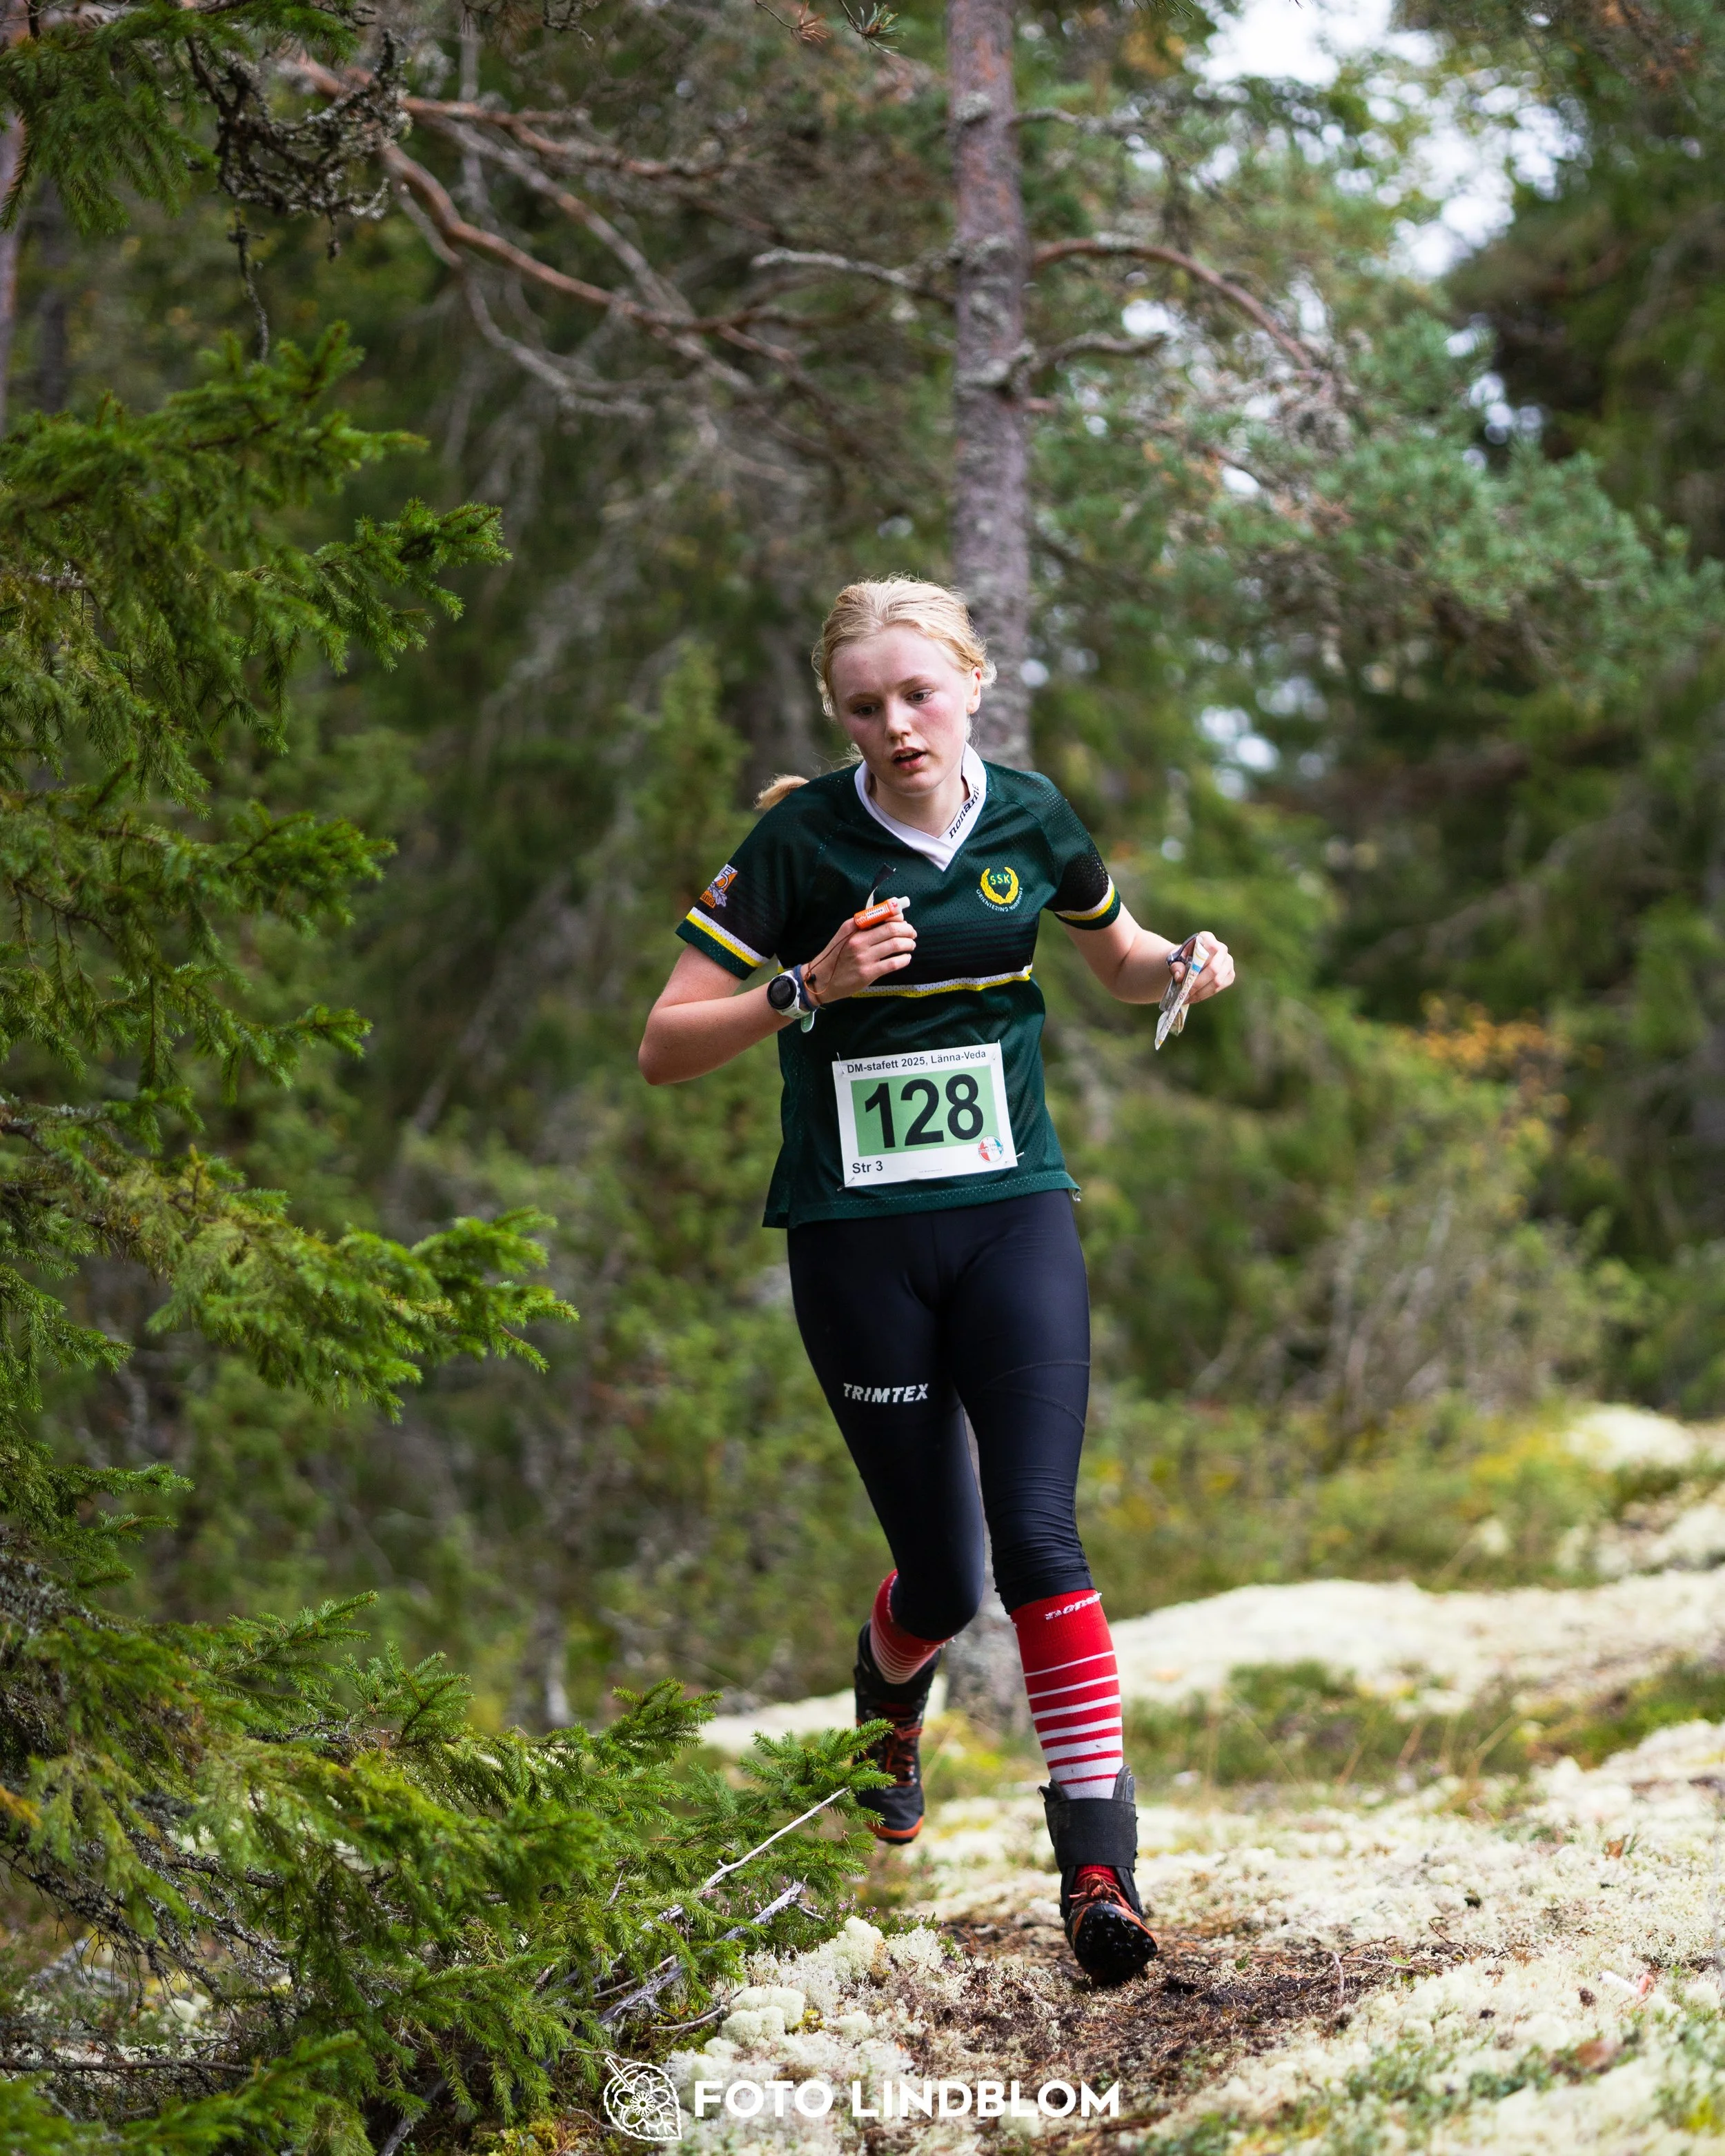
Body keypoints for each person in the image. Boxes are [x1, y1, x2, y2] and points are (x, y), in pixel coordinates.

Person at [639, 579, 1234, 1987]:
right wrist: (807, 985)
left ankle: (1098, 1869)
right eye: (864, 705)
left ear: (969, 680)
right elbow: (664, 1042)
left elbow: (1113, 957)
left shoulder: (1028, 817)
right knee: (947, 1572)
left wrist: (1184, 963)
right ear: (837, 716)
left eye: (917, 693)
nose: (896, 725)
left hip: (1012, 1210)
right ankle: (883, 1704)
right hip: (857, 1242)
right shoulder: (797, 842)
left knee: (1037, 1537)